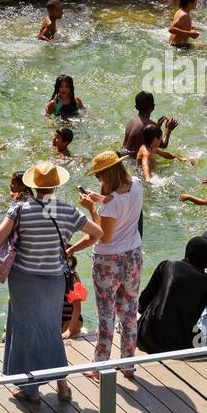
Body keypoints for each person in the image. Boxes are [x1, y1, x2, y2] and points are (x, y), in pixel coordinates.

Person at [0, 161, 102, 403]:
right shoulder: (68, 211)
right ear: (57, 185)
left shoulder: (19, 210)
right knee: (51, 330)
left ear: (33, 185)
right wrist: (69, 250)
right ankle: (62, 386)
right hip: (53, 279)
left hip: (23, 281)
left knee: (27, 331)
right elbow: (98, 234)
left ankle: (32, 390)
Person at [80, 151, 144, 379]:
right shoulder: (136, 185)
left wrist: (91, 209)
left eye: (99, 175)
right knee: (129, 311)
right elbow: (122, 206)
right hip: (134, 256)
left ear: (106, 174)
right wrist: (99, 198)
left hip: (109, 261)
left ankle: (100, 366)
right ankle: (128, 363)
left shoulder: (110, 206)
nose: (98, 179)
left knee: (106, 312)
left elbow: (104, 236)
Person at [137, 237, 207, 352]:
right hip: (179, 346)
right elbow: (195, 316)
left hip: (145, 338)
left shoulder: (167, 265)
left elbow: (144, 300)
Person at [123, 91, 177, 157]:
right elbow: (162, 145)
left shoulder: (131, 122)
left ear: (136, 107)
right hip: (134, 162)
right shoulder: (149, 125)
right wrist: (168, 129)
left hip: (123, 157)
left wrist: (157, 126)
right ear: (153, 107)